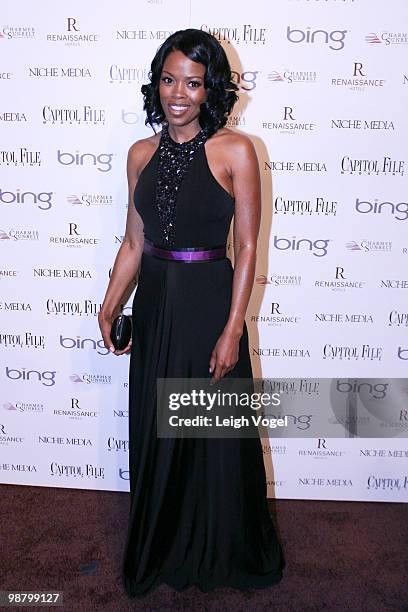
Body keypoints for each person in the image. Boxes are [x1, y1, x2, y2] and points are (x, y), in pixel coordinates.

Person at [98, 28, 285, 599]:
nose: (179, 93)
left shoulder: (235, 150)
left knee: (210, 436)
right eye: (169, 79)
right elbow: (133, 243)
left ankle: (219, 549)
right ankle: (162, 544)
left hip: (208, 304)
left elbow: (247, 247)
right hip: (155, 306)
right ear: (157, 83)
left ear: (211, 89)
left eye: (194, 82)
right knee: (161, 430)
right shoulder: (139, 154)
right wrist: (109, 307)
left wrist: (233, 329)